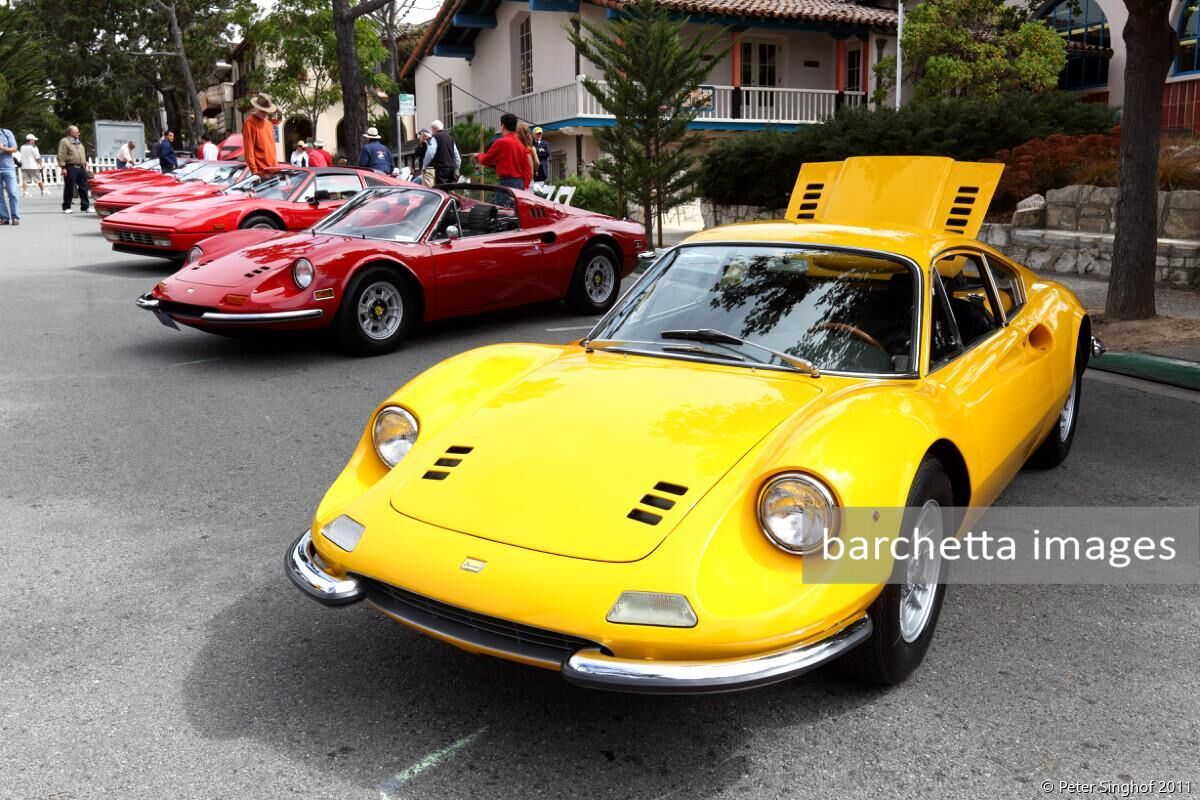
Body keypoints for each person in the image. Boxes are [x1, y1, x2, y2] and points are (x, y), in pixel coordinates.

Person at [474, 113, 530, 191]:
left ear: (503, 126)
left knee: (501, 203)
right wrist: (525, 186)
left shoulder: (501, 142)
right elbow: (527, 169)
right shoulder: (521, 145)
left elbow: (486, 160)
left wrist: (478, 155)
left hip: (506, 183)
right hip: (519, 183)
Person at [242, 92, 280, 178]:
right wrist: (254, 172)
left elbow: (272, 148)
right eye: (263, 110)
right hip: (260, 173)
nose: (265, 113)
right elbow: (249, 150)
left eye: (267, 111)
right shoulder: (250, 123)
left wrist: (276, 167)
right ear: (257, 108)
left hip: (273, 171)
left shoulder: (269, 124)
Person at [57, 125, 90, 214]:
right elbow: (61, 154)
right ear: (71, 132)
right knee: (69, 187)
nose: (79, 133)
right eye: (77, 131)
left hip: (81, 167)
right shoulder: (65, 141)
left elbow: (82, 153)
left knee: (84, 187)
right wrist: (63, 167)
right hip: (70, 167)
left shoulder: (78, 141)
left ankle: (85, 207)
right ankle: (66, 207)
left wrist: (85, 163)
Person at [424, 120, 461, 187]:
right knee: (449, 189)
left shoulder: (435, 137)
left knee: (441, 189)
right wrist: (457, 168)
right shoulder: (450, 138)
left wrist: (425, 166)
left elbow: (430, 153)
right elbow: (456, 155)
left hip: (441, 168)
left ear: (433, 129)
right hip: (451, 168)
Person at [0, 124, 19, 225]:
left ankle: (15, 217)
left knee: (12, 193)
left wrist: (3, 148)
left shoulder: (6, 133)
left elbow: (14, 149)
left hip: (8, 168)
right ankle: (4, 218)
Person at [516, 122, 537, 191]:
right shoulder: (530, 148)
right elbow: (536, 162)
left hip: (525, 183)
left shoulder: (525, 150)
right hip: (528, 181)